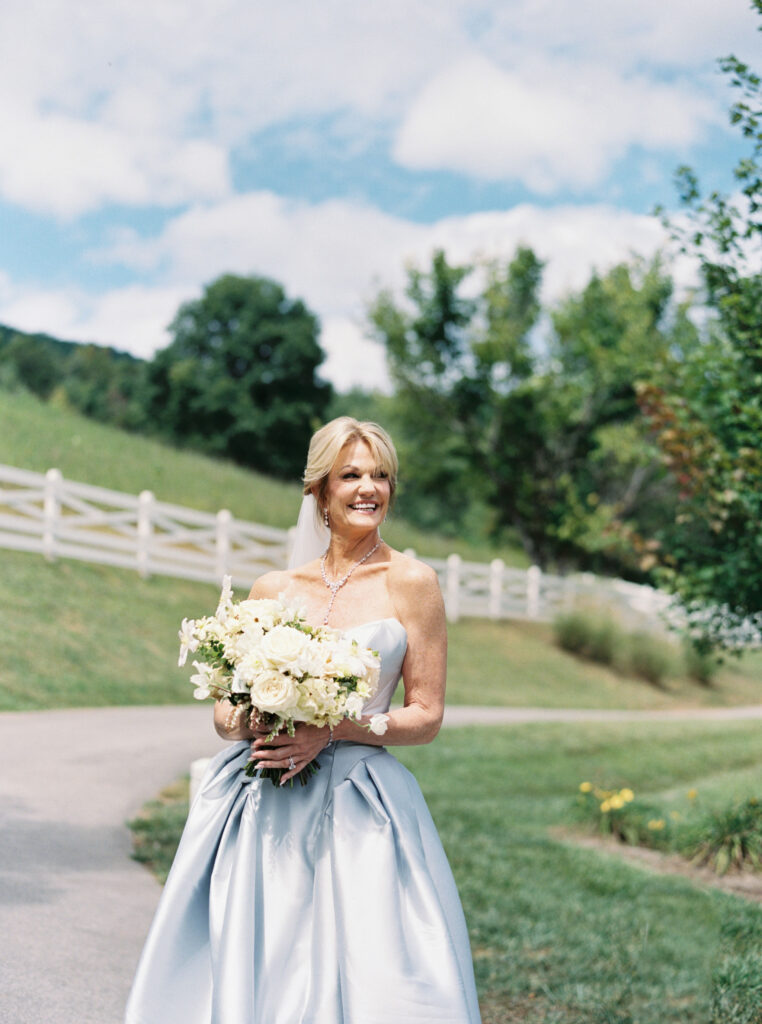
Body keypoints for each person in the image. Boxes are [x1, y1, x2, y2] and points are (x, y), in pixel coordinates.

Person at [125, 417, 482, 1024]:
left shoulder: (412, 583)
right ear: (319, 491)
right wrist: (263, 712)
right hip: (261, 799)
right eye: (351, 476)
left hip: (358, 804)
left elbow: (426, 716)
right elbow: (222, 714)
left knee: (365, 963)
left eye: (381, 476)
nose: (370, 489)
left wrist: (332, 727)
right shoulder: (273, 586)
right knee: (262, 953)